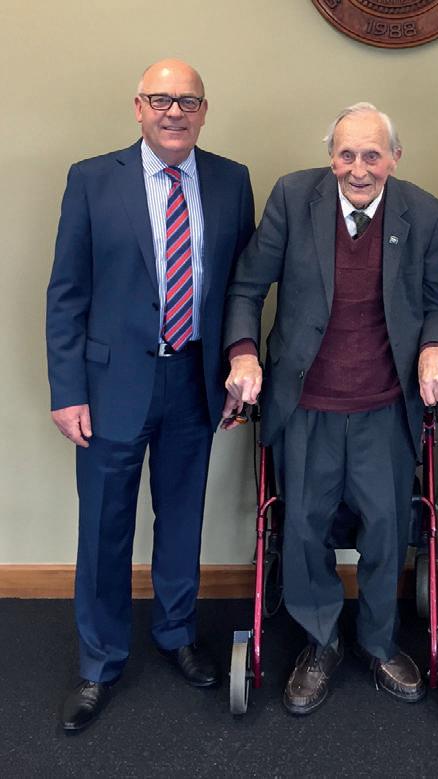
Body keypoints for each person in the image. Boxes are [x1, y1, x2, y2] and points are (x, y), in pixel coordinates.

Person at [222, 102, 438, 715]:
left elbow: (435, 303)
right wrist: (243, 354)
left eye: (372, 155)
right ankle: (320, 642)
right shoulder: (292, 197)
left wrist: (434, 349)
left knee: (387, 531)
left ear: (394, 158)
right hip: (306, 404)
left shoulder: (424, 213)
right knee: (303, 529)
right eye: (346, 154)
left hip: (385, 405)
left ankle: (379, 642)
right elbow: (247, 287)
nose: (358, 168)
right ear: (331, 157)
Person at [46, 59, 255, 732]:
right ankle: (99, 661)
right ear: (138, 107)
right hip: (110, 387)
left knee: (182, 518)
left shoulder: (231, 181)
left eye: (188, 101)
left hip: (193, 380)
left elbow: (241, 290)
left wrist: (236, 365)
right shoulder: (91, 179)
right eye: (161, 99)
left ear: (204, 111)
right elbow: (66, 293)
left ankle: (176, 633)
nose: (174, 112)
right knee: (104, 527)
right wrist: (67, 389)